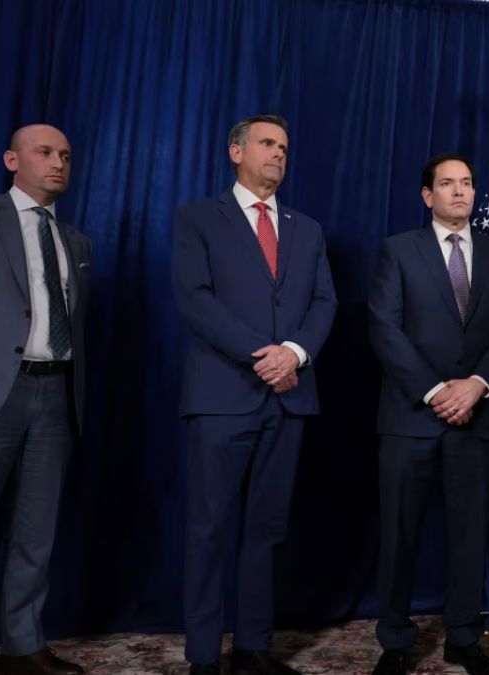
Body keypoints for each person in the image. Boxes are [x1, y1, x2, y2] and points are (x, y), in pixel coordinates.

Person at [172, 115, 337, 675]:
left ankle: (252, 647)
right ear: (236, 150)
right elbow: (196, 301)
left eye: (285, 147)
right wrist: (264, 356)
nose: (278, 155)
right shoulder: (198, 219)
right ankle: (201, 656)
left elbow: (324, 303)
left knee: (267, 530)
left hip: (289, 397)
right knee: (209, 528)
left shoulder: (307, 228)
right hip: (222, 396)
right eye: (267, 144)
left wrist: (294, 353)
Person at [367, 154, 489, 675]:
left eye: (467, 183)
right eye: (447, 184)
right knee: (399, 534)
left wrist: (476, 386)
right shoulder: (398, 251)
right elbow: (384, 329)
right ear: (426, 195)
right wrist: (436, 391)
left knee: (468, 533)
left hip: (476, 417)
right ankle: (395, 640)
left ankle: (463, 637)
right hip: (410, 420)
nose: (459, 192)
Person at [0, 124, 89, 675]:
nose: (58, 163)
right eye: (45, 152)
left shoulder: (76, 241)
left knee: (37, 532)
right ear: (12, 159)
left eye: (67, 156)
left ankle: (22, 647)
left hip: (55, 395)